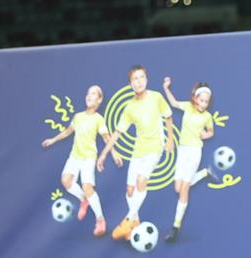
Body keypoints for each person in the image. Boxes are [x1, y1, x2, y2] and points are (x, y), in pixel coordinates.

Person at [108, 65, 174, 242]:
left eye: (141, 77)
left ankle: (127, 220)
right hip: (138, 150)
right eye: (135, 79)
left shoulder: (156, 97)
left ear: (146, 79)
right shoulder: (129, 107)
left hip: (155, 147)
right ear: (130, 84)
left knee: (141, 181)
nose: (138, 81)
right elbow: (118, 132)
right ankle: (135, 223)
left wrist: (170, 140)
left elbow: (168, 116)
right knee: (130, 191)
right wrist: (103, 154)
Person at [39, 84, 111, 237]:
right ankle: (84, 200)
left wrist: (114, 153)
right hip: (75, 156)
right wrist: (52, 140)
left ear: (99, 100)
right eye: (88, 93)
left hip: (89, 158)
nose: (89, 96)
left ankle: (100, 219)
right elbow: (67, 132)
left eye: (93, 94)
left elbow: (106, 138)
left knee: (87, 187)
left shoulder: (99, 119)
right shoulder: (78, 117)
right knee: (66, 181)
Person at [160, 77, 216, 243]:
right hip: (182, 150)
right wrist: (166, 87)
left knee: (184, 189)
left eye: (206, 101)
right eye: (201, 100)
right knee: (178, 188)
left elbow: (211, 132)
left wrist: (205, 135)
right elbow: (173, 103)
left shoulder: (207, 117)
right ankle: (205, 172)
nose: (203, 103)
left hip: (194, 152)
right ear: (195, 98)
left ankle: (175, 227)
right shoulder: (187, 106)